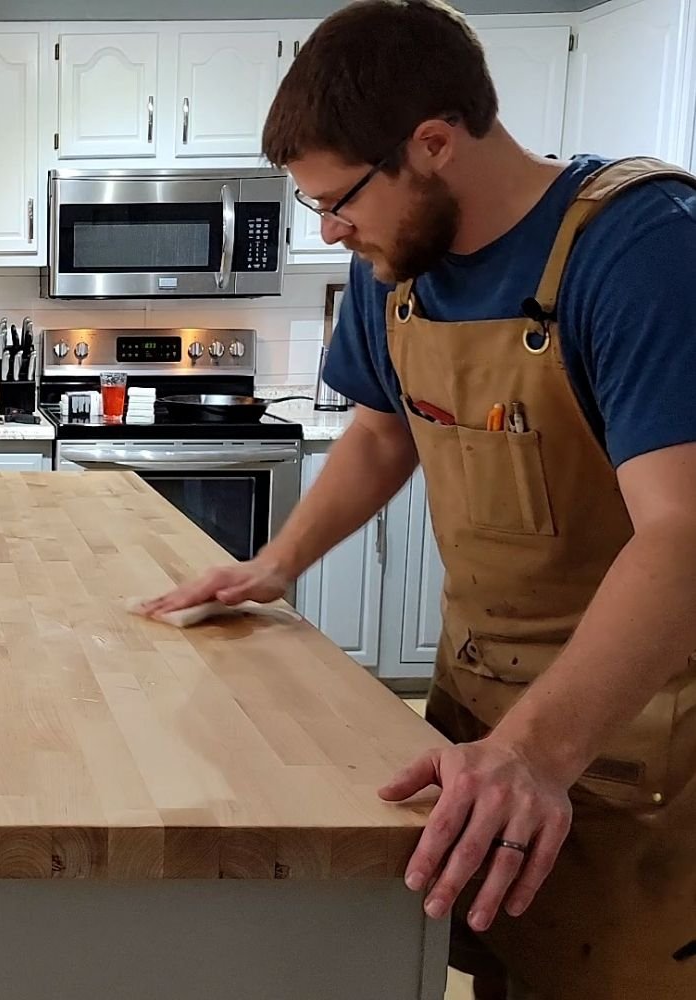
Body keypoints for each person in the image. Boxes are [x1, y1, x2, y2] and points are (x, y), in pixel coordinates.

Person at [139, 2, 696, 997]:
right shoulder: (399, 265)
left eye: (339, 201)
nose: (331, 229)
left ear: (432, 144)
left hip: (640, 736)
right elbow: (380, 434)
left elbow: (684, 530)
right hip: (480, 711)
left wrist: (535, 750)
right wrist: (277, 564)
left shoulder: (642, 250)